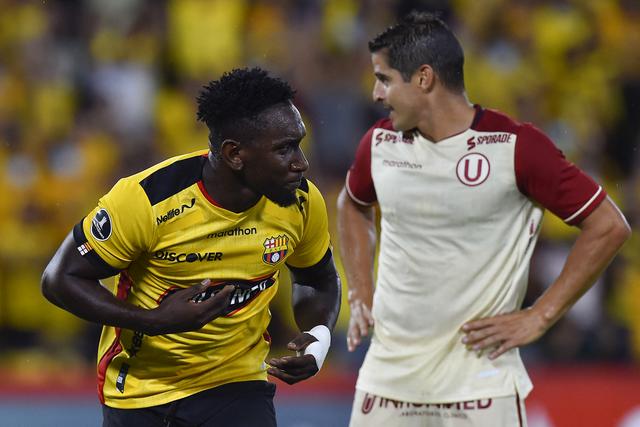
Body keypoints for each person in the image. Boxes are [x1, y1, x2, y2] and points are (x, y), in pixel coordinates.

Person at [337, 11, 630, 427]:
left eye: (384, 79)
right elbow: (352, 204)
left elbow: (608, 225)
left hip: (479, 387)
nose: (376, 94)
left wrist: (540, 315)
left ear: (423, 78)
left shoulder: (515, 147)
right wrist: (360, 290)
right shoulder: (380, 143)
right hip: (387, 384)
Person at [41, 67, 341, 427]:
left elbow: (316, 278)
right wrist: (150, 322)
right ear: (234, 154)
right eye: (284, 149)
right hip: (141, 390)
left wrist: (317, 338)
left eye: (299, 143)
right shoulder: (146, 200)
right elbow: (60, 279)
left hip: (237, 385)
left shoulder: (302, 202)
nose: (301, 163)